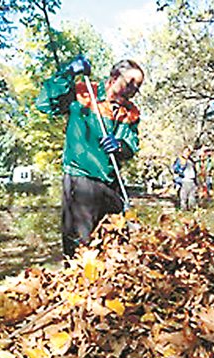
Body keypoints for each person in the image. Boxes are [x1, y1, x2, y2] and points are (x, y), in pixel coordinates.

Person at [36, 55, 143, 258]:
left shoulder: (130, 113)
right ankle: (78, 287)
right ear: (113, 78)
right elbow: (45, 103)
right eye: (129, 84)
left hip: (110, 183)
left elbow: (131, 145)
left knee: (115, 241)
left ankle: (109, 288)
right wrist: (67, 73)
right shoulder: (84, 93)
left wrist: (120, 146)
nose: (132, 92)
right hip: (81, 179)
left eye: (136, 88)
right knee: (80, 245)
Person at [172, 146, 198, 210]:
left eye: (188, 151)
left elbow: (195, 170)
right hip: (184, 180)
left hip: (192, 181)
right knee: (184, 198)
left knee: (192, 198)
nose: (187, 153)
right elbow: (175, 168)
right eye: (185, 151)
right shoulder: (180, 160)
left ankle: (191, 211)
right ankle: (184, 211)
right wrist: (181, 172)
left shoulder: (191, 160)